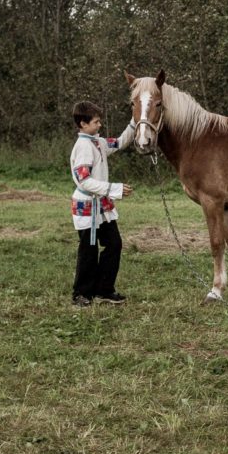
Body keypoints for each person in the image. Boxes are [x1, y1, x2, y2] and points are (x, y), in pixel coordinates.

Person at [69, 101, 135, 306]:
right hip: (87, 207)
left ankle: (104, 290)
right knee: (88, 250)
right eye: (96, 122)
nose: (100, 125)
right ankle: (81, 293)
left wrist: (136, 120)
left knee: (114, 244)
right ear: (83, 124)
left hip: (102, 206)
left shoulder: (97, 142)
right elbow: (84, 181)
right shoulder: (83, 147)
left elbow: (120, 142)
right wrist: (112, 189)